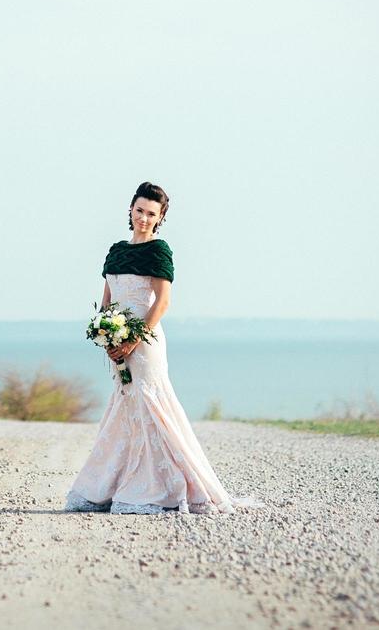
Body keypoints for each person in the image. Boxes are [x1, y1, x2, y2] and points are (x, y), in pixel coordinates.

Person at [63, 181, 260, 514]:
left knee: (152, 404)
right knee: (125, 406)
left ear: (160, 217)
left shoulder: (159, 250)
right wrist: (107, 337)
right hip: (117, 341)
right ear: (130, 209)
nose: (143, 218)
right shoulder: (115, 251)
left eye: (151, 214)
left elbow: (163, 302)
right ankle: (114, 484)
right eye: (139, 210)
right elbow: (107, 299)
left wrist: (132, 340)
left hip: (145, 342)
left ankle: (162, 487)